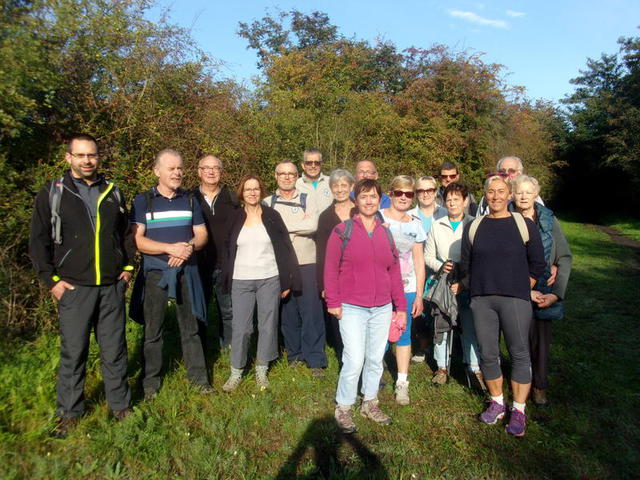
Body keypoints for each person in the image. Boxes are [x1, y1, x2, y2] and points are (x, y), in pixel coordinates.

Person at [29, 133, 134, 438]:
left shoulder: (113, 192)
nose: (87, 161)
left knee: (115, 350)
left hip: (111, 286)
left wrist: (127, 268)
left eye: (92, 155)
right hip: (74, 288)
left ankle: (120, 405)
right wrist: (52, 281)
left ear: (99, 157)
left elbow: (126, 234)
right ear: (69, 158)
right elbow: (38, 242)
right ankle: (70, 412)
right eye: (81, 155)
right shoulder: (53, 193)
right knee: (74, 352)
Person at [460, 175, 546, 437]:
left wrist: (523, 285)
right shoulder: (474, 227)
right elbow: (466, 265)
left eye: (501, 191)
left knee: (519, 352)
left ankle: (518, 409)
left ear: (509, 195)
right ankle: (497, 402)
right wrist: (475, 290)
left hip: (516, 300)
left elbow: (538, 263)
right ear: (485, 195)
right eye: (491, 192)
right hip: (483, 300)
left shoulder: (523, 225)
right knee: (488, 353)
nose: (496, 196)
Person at [324, 179, 407, 433]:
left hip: (382, 307)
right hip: (351, 307)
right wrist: (333, 302)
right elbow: (330, 268)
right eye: (363, 196)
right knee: (354, 358)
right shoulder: (342, 231)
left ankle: (370, 401)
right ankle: (344, 406)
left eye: (373, 196)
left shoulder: (386, 232)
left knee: (374, 358)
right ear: (356, 201)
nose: (369, 200)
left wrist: (400, 307)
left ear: (379, 199)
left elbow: (393, 271)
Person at [130, 149, 213, 400]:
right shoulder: (143, 200)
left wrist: (186, 248)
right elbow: (138, 240)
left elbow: (202, 235)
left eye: (180, 168)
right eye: (171, 168)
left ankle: (199, 381)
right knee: (153, 330)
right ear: (157, 171)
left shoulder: (190, 200)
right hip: (155, 273)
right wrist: (169, 248)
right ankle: (150, 385)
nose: (177, 173)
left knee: (191, 328)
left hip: (186, 272)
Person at [222, 175, 301, 391]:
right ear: (242, 192)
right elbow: (226, 248)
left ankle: (261, 370)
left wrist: (287, 279)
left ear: (261, 191)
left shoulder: (273, 216)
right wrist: (226, 278)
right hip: (241, 280)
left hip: (269, 278)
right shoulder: (234, 217)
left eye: (256, 189)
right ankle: (236, 371)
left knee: (267, 326)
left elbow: (285, 248)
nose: (252, 193)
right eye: (248, 189)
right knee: (242, 328)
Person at [511, 175, 572, 406]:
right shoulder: (504, 218)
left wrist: (556, 293)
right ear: (512, 194)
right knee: (519, 343)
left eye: (529, 192)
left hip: (545, 292)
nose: (524, 196)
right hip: (515, 291)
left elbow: (564, 256)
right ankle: (520, 385)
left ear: (536, 195)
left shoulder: (548, 220)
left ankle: (539, 386)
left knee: (541, 345)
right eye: (519, 192)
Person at [267, 161, 327, 376]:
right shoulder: (267, 202)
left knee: (311, 311)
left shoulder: (307, 198)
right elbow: (267, 231)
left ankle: (315, 359)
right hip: (280, 265)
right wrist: (296, 225)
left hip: (307, 263)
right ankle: (294, 355)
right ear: (275, 175)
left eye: (291, 174)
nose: (286, 177)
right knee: (288, 311)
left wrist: (281, 227)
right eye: (282, 173)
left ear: (296, 176)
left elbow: (313, 225)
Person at [424, 183, 483, 389]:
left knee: (470, 324)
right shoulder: (437, 225)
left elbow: (481, 256)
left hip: (468, 280)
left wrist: (464, 282)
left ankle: (474, 366)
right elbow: (427, 255)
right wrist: (442, 265)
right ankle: (442, 367)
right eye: (449, 199)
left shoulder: (475, 224)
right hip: (444, 280)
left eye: (457, 199)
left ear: (466, 201)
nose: (452, 203)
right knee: (442, 322)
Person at [380, 176, 426, 405]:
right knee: (377, 332)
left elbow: (419, 261)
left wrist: (419, 295)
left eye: (409, 194)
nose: (404, 198)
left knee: (403, 333)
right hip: (378, 287)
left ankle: (402, 383)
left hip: (406, 287)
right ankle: (374, 374)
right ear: (390, 193)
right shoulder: (376, 217)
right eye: (400, 193)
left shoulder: (415, 223)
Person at [192, 154, 239, 349]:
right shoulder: (189, 198)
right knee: (198, 310)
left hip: (225, 263)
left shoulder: (231, 197)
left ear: (221, 172)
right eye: (206, 168)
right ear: (199, 172)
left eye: (215, 168)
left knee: (228, 310)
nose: (211, 172)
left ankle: (229, 349)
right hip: (198, 264)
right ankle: (200, 351)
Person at [316, 169, 357, 359]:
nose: (340, 189)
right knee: (339, 319)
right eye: (335, 186)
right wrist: (323, 285)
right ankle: (345, 358)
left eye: (344, 185)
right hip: (337, 276)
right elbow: (322, 253)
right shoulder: (326, 217)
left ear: (351, 187)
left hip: (361, 274)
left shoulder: (361, 211)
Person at [407, 175, 446, 363]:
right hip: (418, 268)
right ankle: (422, 346)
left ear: (436, 191)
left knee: (439, 309)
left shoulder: (446, 213)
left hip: (441, 268)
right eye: (421, 191)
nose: (425, 194)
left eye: (429, 190)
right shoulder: (409, 215)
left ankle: (440, 348)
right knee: (420, 308)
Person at [477, 156, 545, 216]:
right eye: (502, 172)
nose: (506, 174)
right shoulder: (488, 198)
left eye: (511, 171)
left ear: (520, 173)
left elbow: (543, 221)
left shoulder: (530, 196)